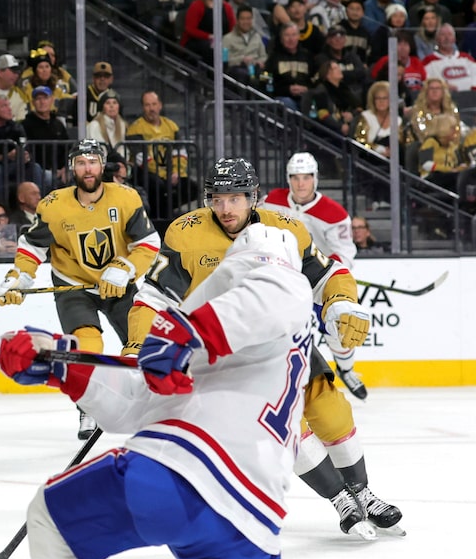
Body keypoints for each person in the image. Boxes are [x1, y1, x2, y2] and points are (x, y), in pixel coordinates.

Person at [0, 223, 354, 559]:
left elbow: (270, 292)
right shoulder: (238, 335)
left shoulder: (269, 285)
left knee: (52, 520)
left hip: (178, 470)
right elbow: (134, 403)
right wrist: (60, 362)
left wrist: (190, 332)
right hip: (252, 515)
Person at [129, 157, 403, 539]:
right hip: (230, 358)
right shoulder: (185, 233)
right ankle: (340, 498)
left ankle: (363, 493)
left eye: (235, 198)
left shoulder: (287, 229)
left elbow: (329, 275)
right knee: (289, 426)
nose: (225, 208)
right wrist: (139, 346)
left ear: (252, 197)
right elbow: (154, 298)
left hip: (286, 340)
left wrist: (341, 303)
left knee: (331, 410)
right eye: (217, 198)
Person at [0, 139, 160, 440]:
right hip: (73, 285)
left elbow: (148, 243)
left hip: (118, 285)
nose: (88, 168)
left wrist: (124, 267)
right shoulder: (54, 205)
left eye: (93, 161)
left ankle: (152, 405)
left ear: (102, 165)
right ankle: (89, 406)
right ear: (72, 167)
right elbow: (33, 247)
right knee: (88, 344)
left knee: (143, 344)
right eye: (81, 162)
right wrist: (19, 277)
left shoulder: (125, 198)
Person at [260, 153, 366, 399]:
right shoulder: (271, 201)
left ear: (315, 179)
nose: (301, 183)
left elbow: (346, 253)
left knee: (338, 329)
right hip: (283, 278)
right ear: (289, 179)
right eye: (295, 178)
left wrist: (325, 270)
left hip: (318, 280)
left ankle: (346, 369)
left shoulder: (334, 213)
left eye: (306, 177)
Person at [126, 90, 196, 223]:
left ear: (160, 105)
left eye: (154, 104)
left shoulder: (171, 126)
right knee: (158, 186)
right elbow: (141, 158)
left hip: (170, 172)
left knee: (191, 187)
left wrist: (176, 172)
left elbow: (180, 152)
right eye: (147, 105)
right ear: (143, 107)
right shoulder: (135, 129)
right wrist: (165, 175)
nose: (151, 108)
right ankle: (161, 218)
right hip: (145, 172)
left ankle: (165, 212)